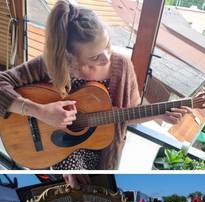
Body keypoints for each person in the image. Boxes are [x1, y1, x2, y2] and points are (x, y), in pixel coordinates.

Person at [0, 1, 191, 170]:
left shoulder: (122, 67)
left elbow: (127, 115)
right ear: (69, 57)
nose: (107, 57)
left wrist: (157, 114)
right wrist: (40, 112)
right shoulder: (51, 64)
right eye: (94, 57)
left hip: (104, 157)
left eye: (107, 45)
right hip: (61, 152)